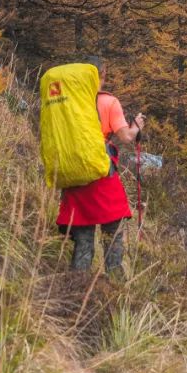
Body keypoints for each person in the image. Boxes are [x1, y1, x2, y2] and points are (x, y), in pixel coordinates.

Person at [55, 55, 145, 274]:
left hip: (75, 176)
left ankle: (78, 288)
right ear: (102, 74)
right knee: (112, 235)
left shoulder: (70, 100)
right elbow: (125, 137)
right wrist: (136, 127)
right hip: (101, 175)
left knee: (83, 241)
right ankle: (114, 286)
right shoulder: (108, 102)